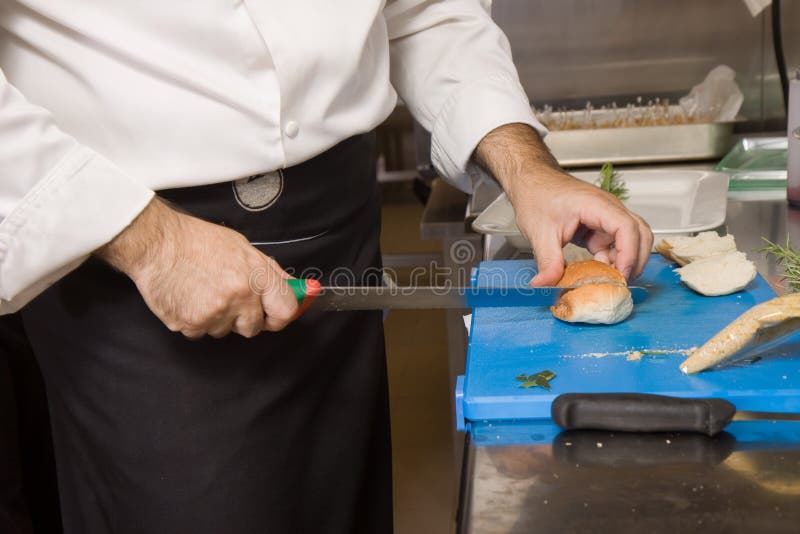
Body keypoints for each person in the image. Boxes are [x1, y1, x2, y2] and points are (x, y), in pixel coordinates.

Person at [0, 2, 653, 532]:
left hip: (336, 225)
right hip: (129, 248)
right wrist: (151, 242)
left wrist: (526, 168)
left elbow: (429, 12)